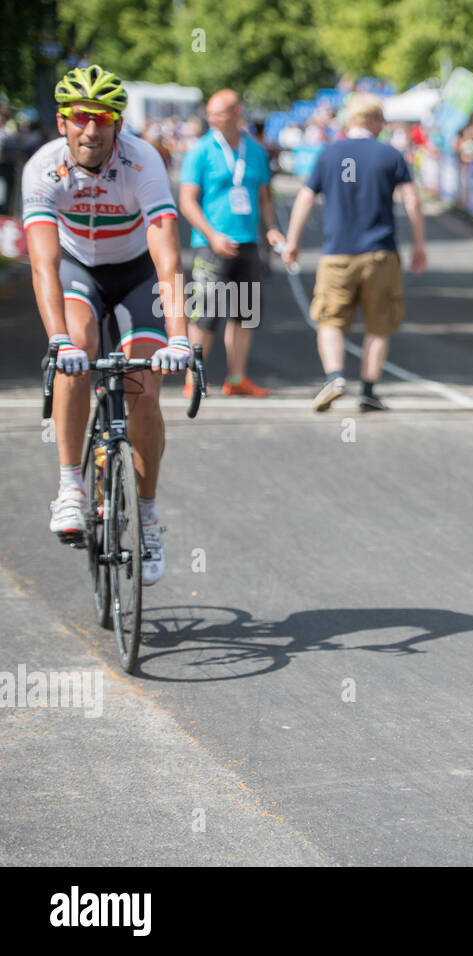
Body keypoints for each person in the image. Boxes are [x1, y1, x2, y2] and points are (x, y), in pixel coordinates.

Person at [23, 65, 191, 585]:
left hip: (137, 272)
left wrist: (180, 335)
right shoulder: (42, 169)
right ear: (62, 122)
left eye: (103, 119)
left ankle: (146, 516)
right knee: (76, 348)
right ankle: (71, 486)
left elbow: (167, 256)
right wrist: (56, 340)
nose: (91, 130)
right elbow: (43, 265)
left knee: (144, 387)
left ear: (119, 124)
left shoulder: (144, 161)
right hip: (77, 268)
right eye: (80, 118)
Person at [281, 94, 427, 412]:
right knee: (379, 324)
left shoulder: (329, 153)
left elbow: (305, 199)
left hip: (337, 254)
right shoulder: (391, 155)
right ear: (375, 121)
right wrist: (418, 244)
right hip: (381, 253)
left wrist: (292, 240)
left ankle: (335, 377)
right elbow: (412, 200)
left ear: (350, 121)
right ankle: (369, 392)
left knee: (329, 320)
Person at [179, 89, 282, 398]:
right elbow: (187, 201)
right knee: (204, 313)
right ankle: (192, 378)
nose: (212, 119)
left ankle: (237, 378)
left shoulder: (256, 151)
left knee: (244, 315)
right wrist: (212, 235)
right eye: (209, 113)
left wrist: (272, 229)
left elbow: (264, 198)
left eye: (219, 113)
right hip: (211, 244)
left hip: (248, 243)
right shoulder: (200, 150)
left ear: (237, 113)